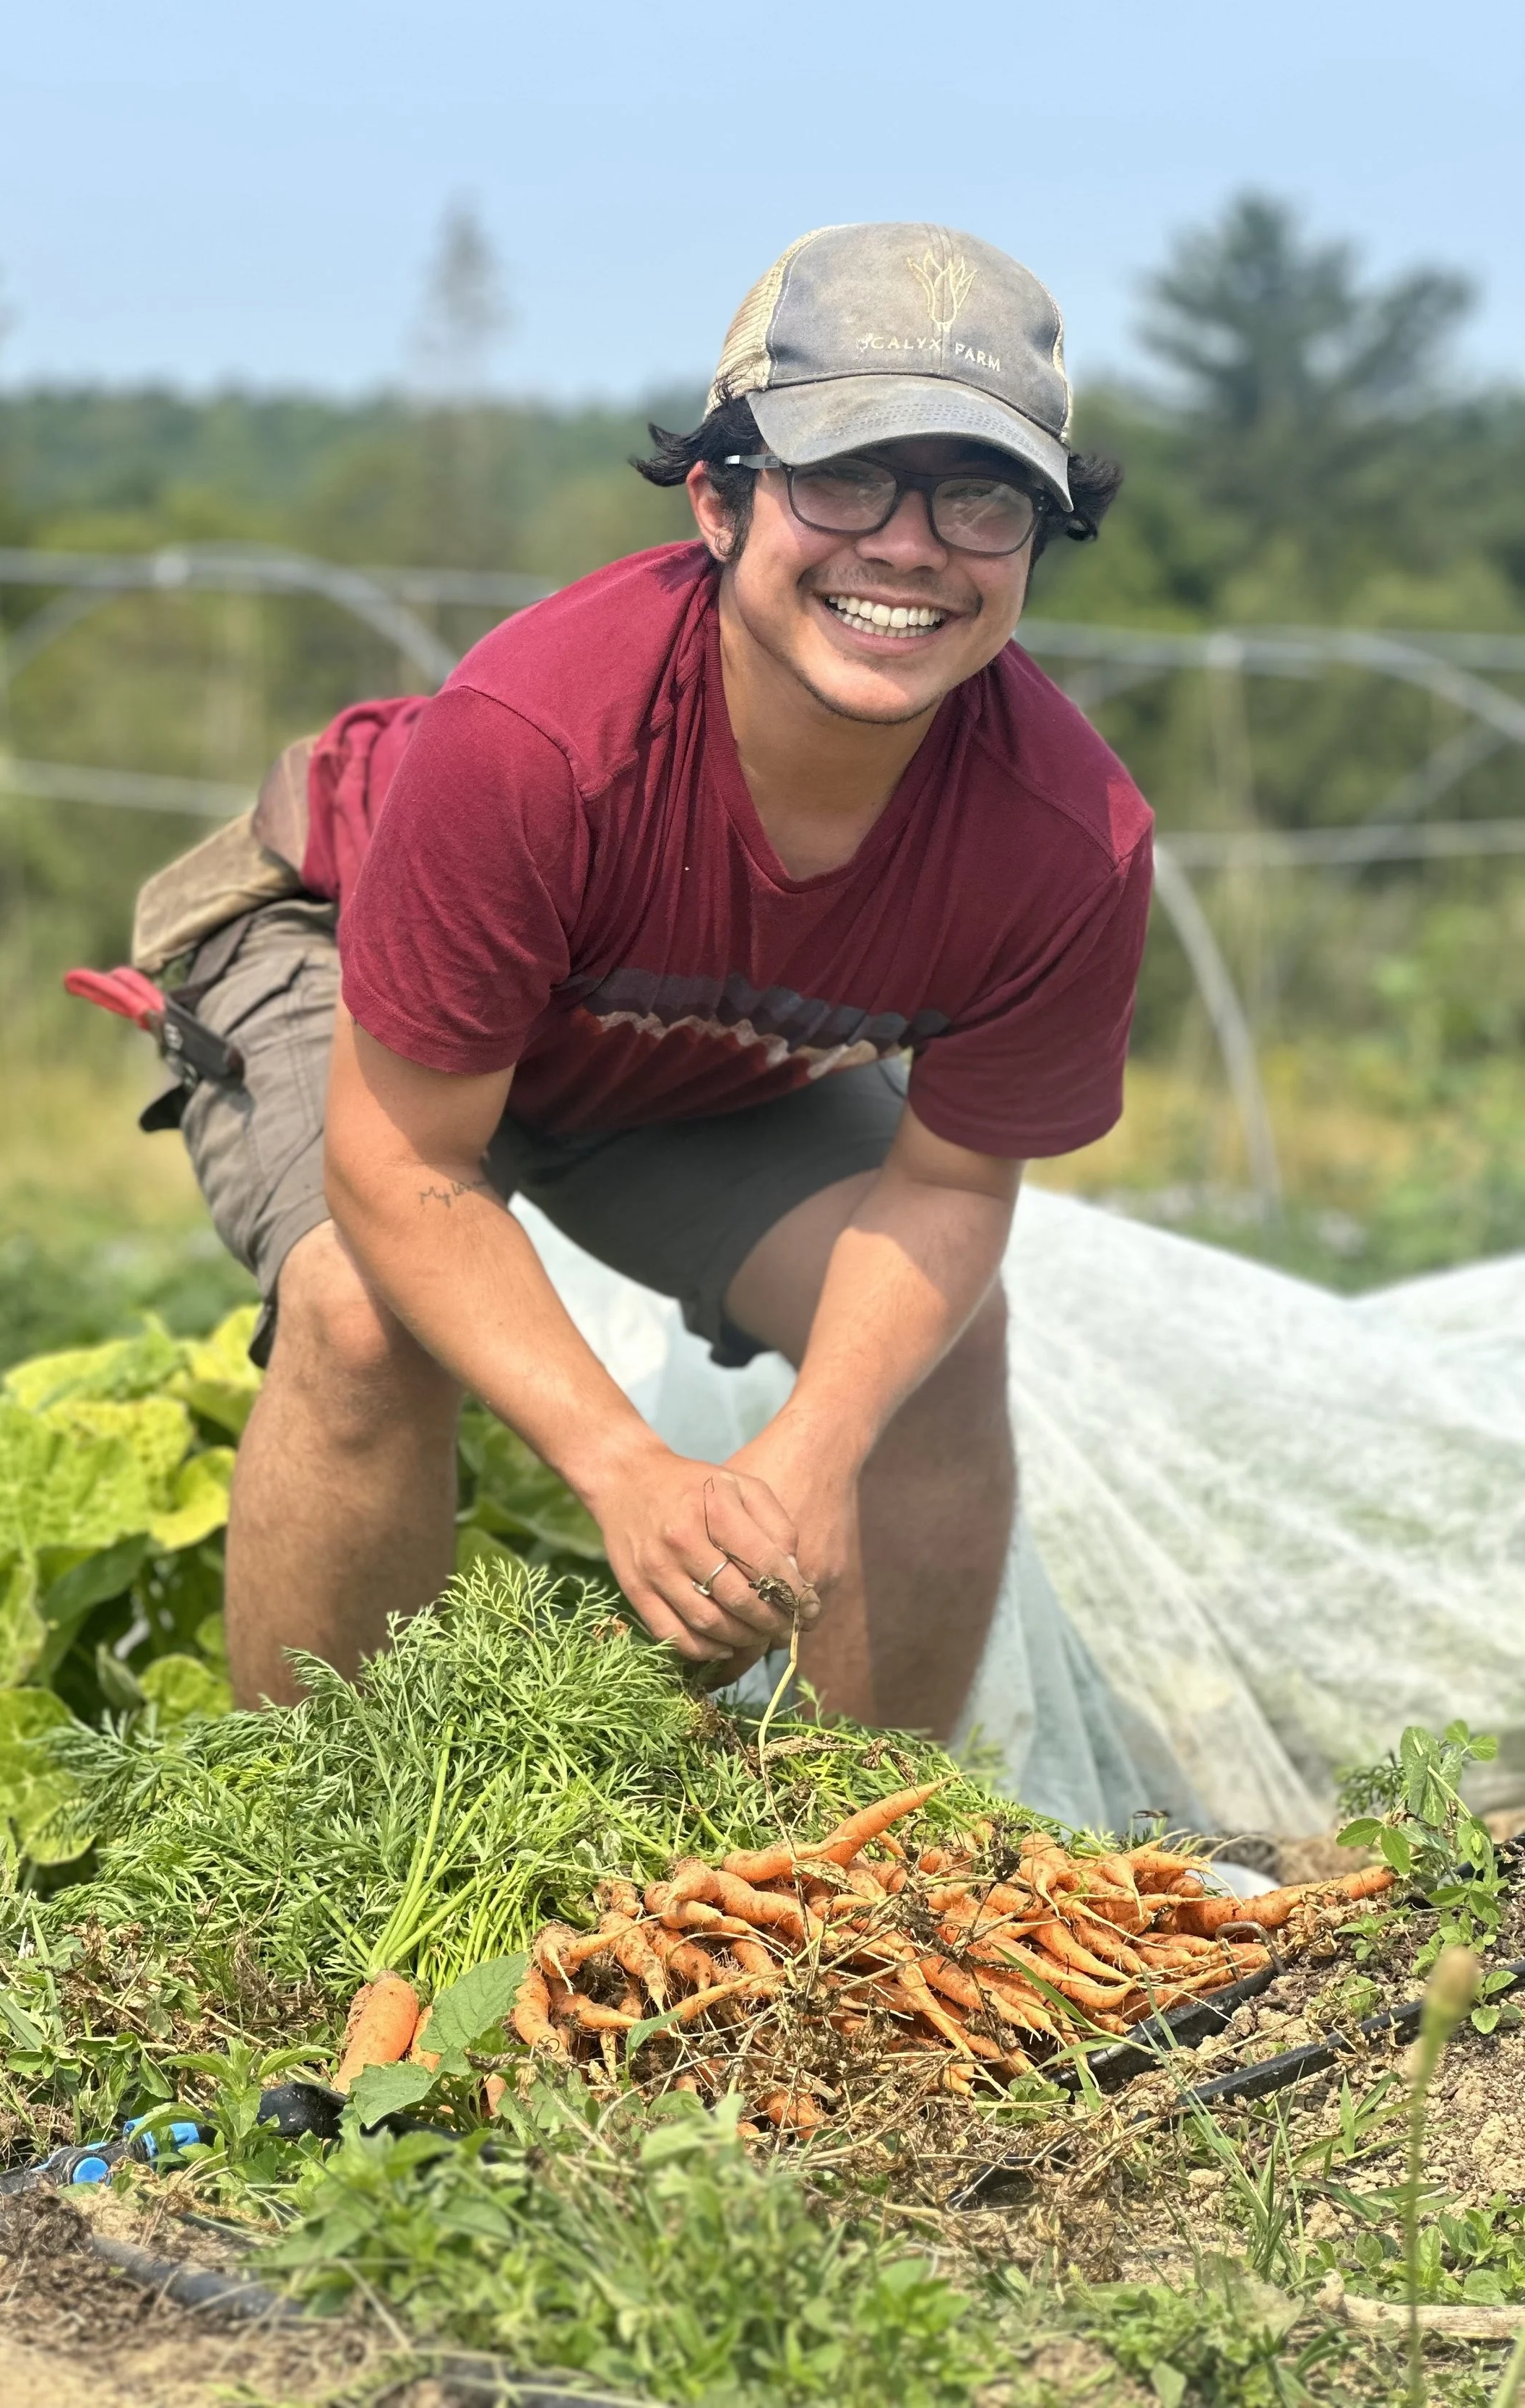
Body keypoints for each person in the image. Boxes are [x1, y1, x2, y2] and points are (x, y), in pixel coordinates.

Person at [129, 221, 1152, 1732]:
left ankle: (862, 1868)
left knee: (937, 1347)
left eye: (979, 495)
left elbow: (944, 1196)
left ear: (1032, 541)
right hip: (335, 945)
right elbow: (403, 1154)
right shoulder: (540, 739)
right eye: (845, 474)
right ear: (719, 500)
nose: (908, 544)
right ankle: (315, 1869)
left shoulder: (1065, 840)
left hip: (675, 1053)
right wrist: (628, 1471)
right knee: (359, 1310)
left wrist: (800, 1456)